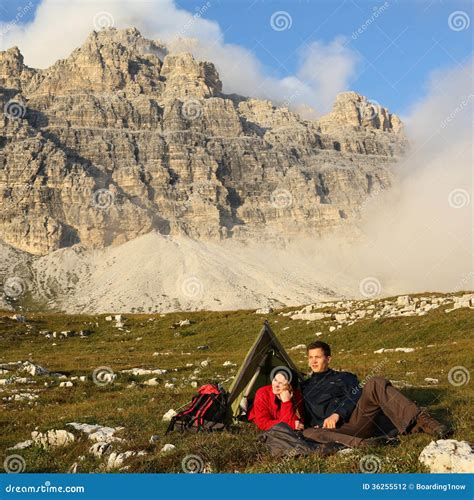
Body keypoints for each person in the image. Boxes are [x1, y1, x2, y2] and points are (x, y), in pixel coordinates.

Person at [302, 341, 450, 448]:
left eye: (318, 357)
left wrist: (337, 413)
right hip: (331, 431)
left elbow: (356, 395)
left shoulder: (344, 377)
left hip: (356, 420)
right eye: (310, 357)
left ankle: (427, 422)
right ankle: (365, 444)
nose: (313, 361)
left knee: (375, 382)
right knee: (308, 433)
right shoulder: (305, 387)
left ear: (328, 359)